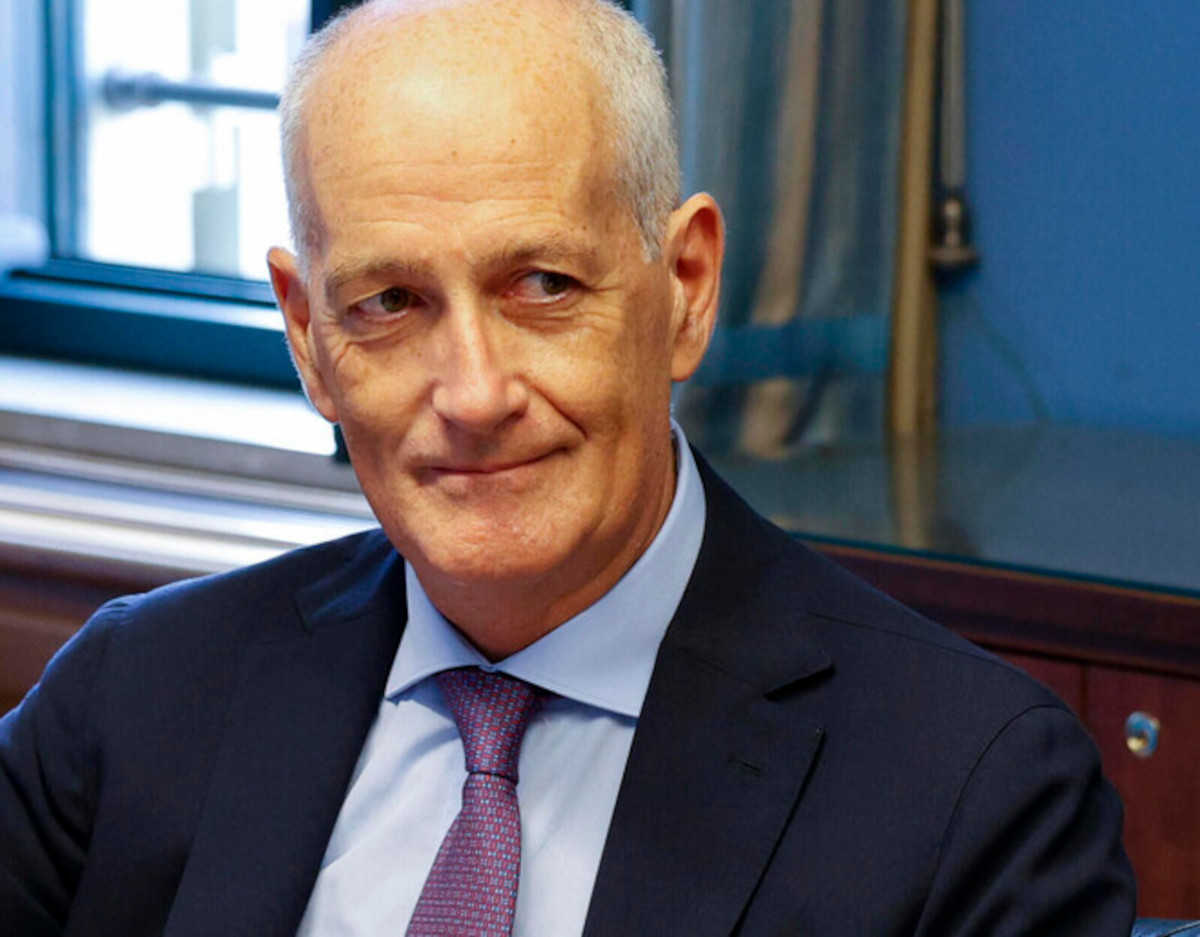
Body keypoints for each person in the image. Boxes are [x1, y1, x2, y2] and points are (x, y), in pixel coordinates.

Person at [0, 0, 1135, 934]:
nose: (474, 394)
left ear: (685, 288)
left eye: (543, 285)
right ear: (308, 340)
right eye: (389, 302)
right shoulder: (133, 699)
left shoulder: (972, 793)